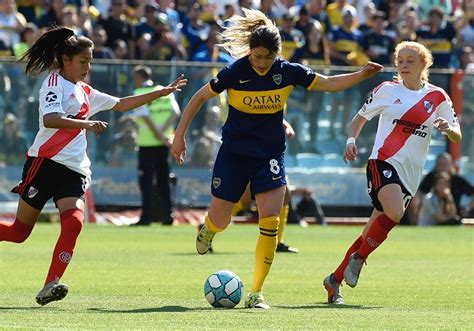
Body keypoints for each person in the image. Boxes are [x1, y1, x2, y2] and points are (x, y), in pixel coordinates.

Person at [171, 8, 382, 309]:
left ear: (277, 54)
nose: (259, 63)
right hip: (234, 153)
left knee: (269, 222)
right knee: (221, 219)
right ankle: (208, 230)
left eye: (266, 58)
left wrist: (361, 74)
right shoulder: (236, 71)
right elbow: (198, 98)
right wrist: (179, 136)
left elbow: (327, 83)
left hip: (269, 155)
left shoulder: (289, 71)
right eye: (255, 56)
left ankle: (256, 292)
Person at [0, 27, 186, 306]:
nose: (88, 67)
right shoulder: (53, 83)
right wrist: (87, 123)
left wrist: (159, 93)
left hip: (74, 170)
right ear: (66, 60)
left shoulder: (85, 91)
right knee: (19, 233)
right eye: (84, 61)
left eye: (90, 61)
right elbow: (51, 119)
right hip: (45, 163)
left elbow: (122, 104)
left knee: (73, 223)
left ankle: (50, 283)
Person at [323, 41, 462, 305]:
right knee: (395, 211)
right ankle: (360, 259)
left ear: (424, 63)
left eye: (410, 60)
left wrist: (447, 128)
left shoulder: (438, 97)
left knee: (368, 233)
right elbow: (359, 118)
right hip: (382, 162)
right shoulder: (386, 90)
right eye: (400, 60)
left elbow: (457, 134)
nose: (404, 65)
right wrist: (351, 141)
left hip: (409, 175)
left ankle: (334, 280)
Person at [131, 65, 181, 226]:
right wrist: (164, 134)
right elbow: (175, 113)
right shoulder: (164, 91)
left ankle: (146, 217)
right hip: (165, 143)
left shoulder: (139, 93)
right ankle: (168, 215)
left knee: (145, 182)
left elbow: (145, 118)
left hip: (147, 144)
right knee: (163, 180)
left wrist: (158, 134)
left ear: (139, 78)